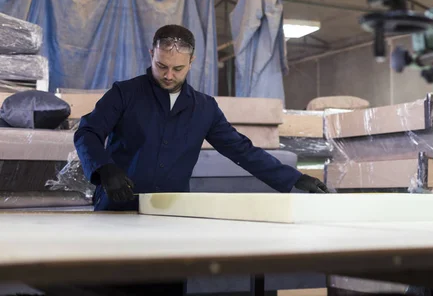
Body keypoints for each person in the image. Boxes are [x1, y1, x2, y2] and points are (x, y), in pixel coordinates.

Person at [74, 24, 329, 212]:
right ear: (152, 53)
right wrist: (104, 168)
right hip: (117, 208)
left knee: (166, 285)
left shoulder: (204, 108)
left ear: (192, 61)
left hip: (172, 213)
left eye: (178, 68)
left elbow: (242, 150)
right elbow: (87, 132)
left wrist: (294, 178)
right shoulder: (125, 93)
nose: (169, 75)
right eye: (161, 66)